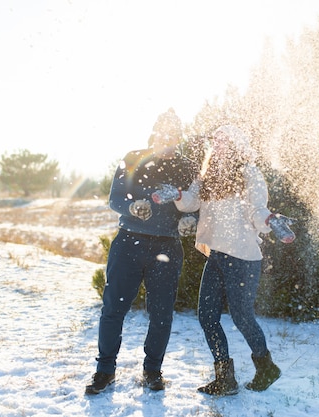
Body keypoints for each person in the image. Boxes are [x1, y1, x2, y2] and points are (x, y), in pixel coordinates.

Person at [152, 124, 295, 396]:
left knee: (242, 317)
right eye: (215, 140)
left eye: (224, 140)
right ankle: (225, 378)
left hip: (242, 256)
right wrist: (178, 194)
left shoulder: (248, 173)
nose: (218, 145)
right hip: (216, 254)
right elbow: (193, 200)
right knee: (207, 316)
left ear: (237, 145)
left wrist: (270, 220)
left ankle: (266, 366)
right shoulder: (207, 175)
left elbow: (257, 209)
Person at [85, 108, 197, 395]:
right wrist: (132, 207)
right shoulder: (133, 158)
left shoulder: (188, 166)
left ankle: (152, 371)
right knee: (113, 310)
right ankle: (105, 370)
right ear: (154, 133)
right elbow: (115, 198)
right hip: (128, 244)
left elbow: (196, 204)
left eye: (173, 134)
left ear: (179, 137)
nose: (167, 138)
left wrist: (189, 221)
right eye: (163, 133)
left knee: (161, 315)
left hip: (167, 247)